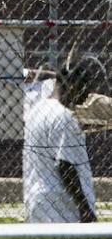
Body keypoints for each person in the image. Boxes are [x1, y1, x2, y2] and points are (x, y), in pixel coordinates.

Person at [23, 59, 99, 223]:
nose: (86, 96)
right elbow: (65, 165)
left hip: (37, 199)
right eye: (84, 88)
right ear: (72, 85)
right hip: (61, 206)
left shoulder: (36, 110)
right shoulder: (64, 116)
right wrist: (85, 209)